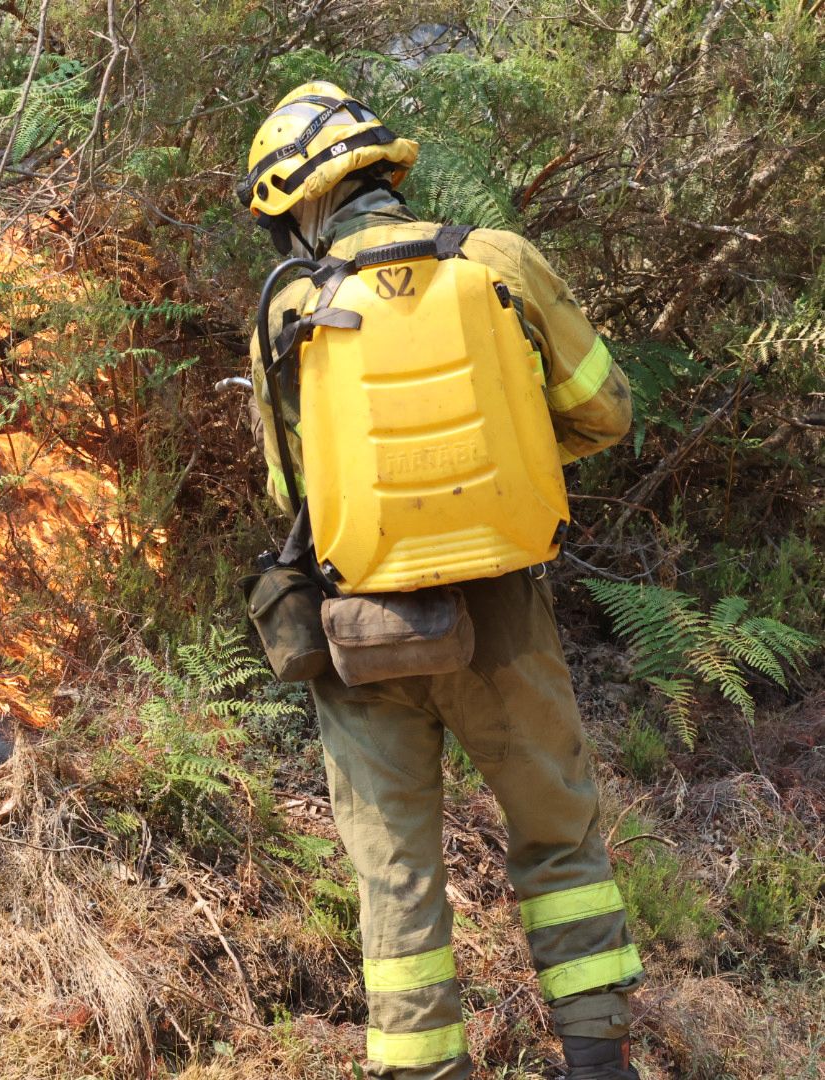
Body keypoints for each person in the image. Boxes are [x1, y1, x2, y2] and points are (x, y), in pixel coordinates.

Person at [240, 82, 642, 1080]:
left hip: (360, 626)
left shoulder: (288, 307)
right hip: (504, 612)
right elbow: (608, 412)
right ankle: (596, 1062)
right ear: (384, 169)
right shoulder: (500, 261)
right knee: (560, 840)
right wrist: (500, 464)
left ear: (303, 199)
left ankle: (423, 1068)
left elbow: (286, 487)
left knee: (396, 877)